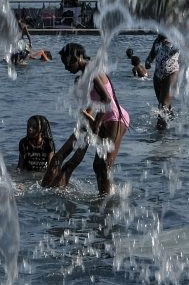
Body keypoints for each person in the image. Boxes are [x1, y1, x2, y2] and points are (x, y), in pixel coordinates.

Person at [42, 43, 131, 194]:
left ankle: (107, 202)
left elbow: (107, 99)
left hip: (115, 118)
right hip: (100, 119)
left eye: (66, 63)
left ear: (76, 58)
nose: (66, 68)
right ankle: (103, 198)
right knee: (96, 166)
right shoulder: (81, 78)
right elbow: (90, 107)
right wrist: (85, 131)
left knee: (103, 166)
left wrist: (95, 125)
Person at [145, 33, 180, 122]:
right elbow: (151, 55)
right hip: (157, 75)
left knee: (163, 104)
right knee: (164, 104)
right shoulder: (157, 41)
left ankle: (160, 130)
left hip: (171, 73)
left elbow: (186, 48)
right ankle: (173, 123)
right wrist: (148, 62)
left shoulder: (176, 39)